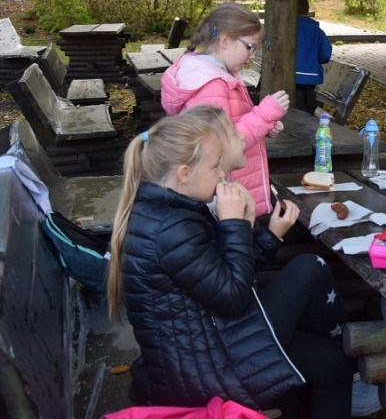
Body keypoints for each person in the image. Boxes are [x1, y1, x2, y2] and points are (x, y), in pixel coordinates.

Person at [106, 110, 365, 417]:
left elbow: (215, 277)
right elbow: (232, 296)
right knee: (333, 362)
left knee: (310, 282)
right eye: (215, 166)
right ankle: (349, 371)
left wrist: (262, 234)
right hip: (201, 373)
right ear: (184, 173)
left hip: (201, 349)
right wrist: (234, 225)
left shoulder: (167, 210)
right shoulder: (172, 229)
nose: (221, 174)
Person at [160, 3, 287, 216]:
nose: (253, 55)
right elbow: (221, 146)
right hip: (226, 199)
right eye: (250, 46)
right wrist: (264, 115)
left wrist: (266, 125)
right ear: (225, 39)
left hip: (232, 191)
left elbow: (233, 122)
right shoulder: (212, 85)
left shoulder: (217, 75)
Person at [295, 0, 332, 115]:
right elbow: (325, 55)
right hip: (311, 77)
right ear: (307, 11)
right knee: (308, 101)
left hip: (291, 75)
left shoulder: (288, 29)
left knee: (297, 100)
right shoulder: (317, 31)